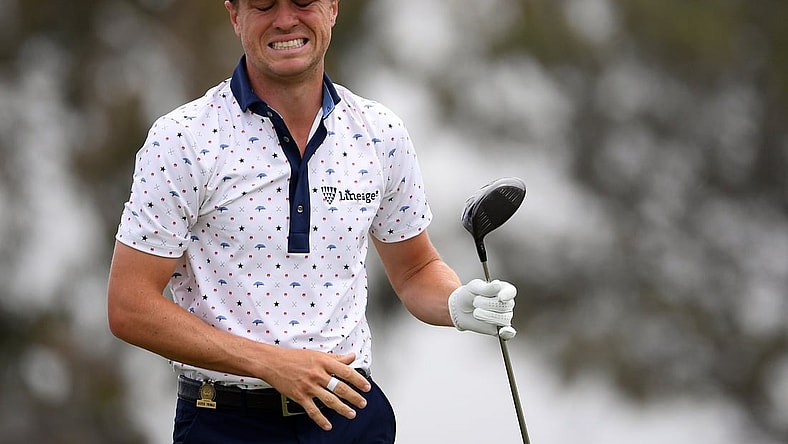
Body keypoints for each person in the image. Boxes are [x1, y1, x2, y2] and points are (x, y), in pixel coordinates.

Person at [106, 0, 517, 442]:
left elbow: (415, 269)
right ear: (235, 15)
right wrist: (270, 363)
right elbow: (129, 306)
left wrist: (455, 301)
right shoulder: (184, 139)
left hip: (351, 415)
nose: (286, 20)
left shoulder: (380, 133)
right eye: (264, 5)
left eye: (303, 1)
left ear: (333, 7)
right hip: (227, 422)